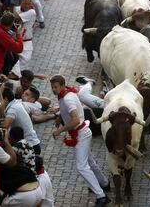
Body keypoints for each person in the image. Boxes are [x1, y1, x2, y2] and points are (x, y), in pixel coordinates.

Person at [50, 75, 110, 207]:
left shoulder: (67, 99)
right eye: (52, 87)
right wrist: (60, 117)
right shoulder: (65, 94)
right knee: (90, 162)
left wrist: (60, 130)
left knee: (81, 166)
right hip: (82, 133)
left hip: (81, 134)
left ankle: (101, 196)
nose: (53, 90)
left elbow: (76, 120)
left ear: (62, 85)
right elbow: (68, 112)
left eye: (55, 87)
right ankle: (104, 183)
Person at [0, 127, 42, 207]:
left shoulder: (16, 148)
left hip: (23, 179)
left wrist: (6, 142)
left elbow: (8, 158)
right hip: (34, 176)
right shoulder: (29, 144)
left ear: (11, 137)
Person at [2, 88, 41, 154]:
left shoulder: (13, 109)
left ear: (5, 99)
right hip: (31, 144)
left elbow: (4, 127)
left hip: (30, 147)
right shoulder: (16, 103)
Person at [16, 0, 37, 71]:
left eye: (29, 3)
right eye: (25, 3)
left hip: (26, 44)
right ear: (20, 2)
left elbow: (15, 18)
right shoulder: (16, 9)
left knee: (22, 68)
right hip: (15, 42)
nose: (28, 6)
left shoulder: (32, 12)